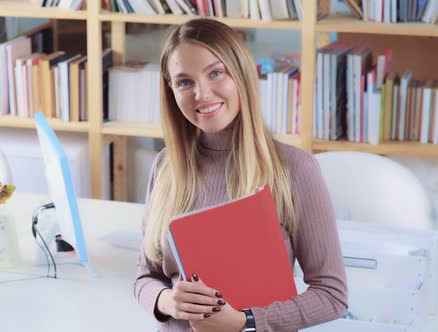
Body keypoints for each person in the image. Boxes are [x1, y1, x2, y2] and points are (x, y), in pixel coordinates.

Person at [134, 18, 348, 332]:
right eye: (184, 82)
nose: (202, 94)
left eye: (216, 73)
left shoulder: (294, 168)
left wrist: (247, 321)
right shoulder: (166, 167)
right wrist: (166, 301)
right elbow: (145, 277)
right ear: (171, 91)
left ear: (242, 75)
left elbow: (332, 295)